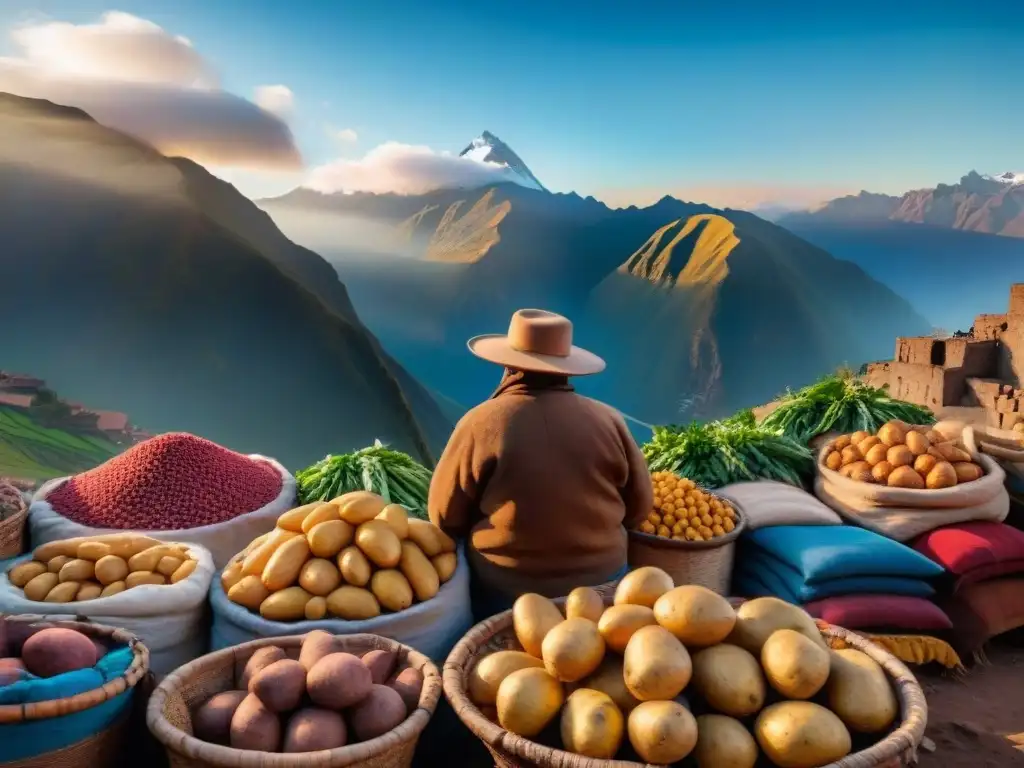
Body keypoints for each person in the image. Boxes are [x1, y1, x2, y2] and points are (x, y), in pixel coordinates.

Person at [428, 308, 653, 619]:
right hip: (603, 586)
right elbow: (640, 509)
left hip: (506, 593)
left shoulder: (480, 423)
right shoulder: (609, 421)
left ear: (509, 367)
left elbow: (444, 517)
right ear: (566, 369)